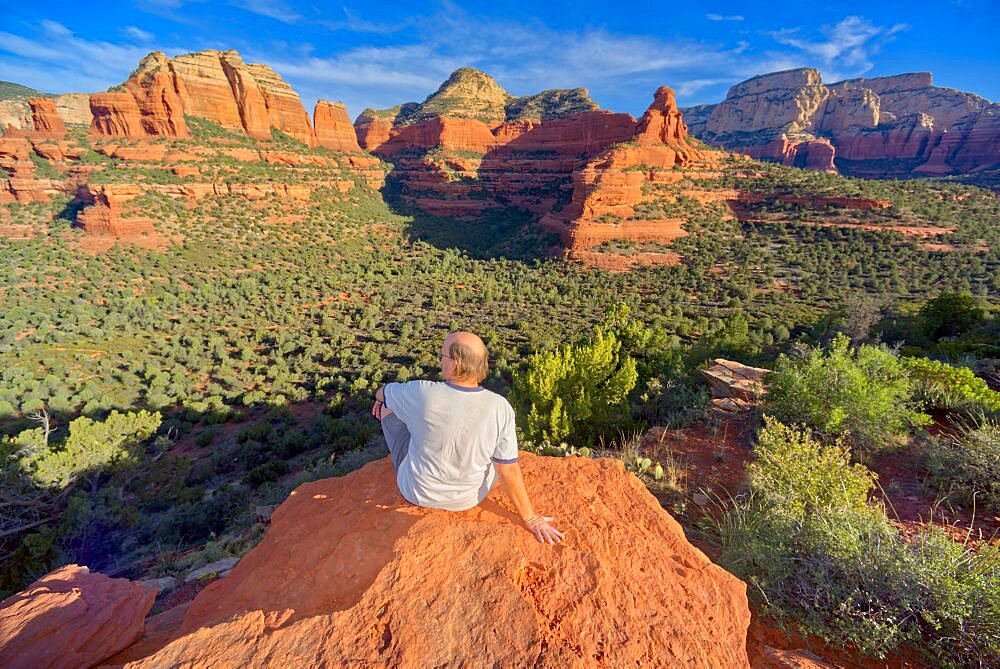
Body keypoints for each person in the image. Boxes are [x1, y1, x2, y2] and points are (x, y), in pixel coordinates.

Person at [371, 331, 564, 544]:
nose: (440, 361)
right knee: (499, 457)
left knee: (389, 409)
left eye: (442, 356)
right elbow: (508, 469)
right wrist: (531, 518)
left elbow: (381, 392)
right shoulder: (500, 407)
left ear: (454, 365)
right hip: (467, 499)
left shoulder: (421, 392)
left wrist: (385, 402)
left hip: (416, 492)